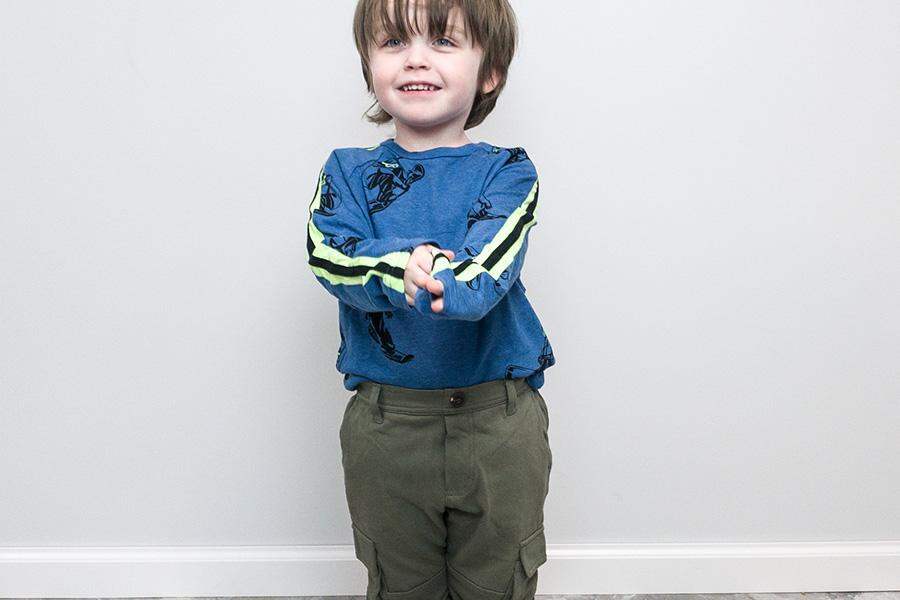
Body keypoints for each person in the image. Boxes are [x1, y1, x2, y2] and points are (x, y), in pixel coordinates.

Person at [305, 0, 556, 597]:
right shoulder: (345, 172)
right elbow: (329, 256)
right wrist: (398, 268)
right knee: (401, 584)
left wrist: (434, 276)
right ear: (370, 66)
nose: (416, 58)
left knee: (499, 582)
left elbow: (484, 273)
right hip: (388, 427)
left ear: (488, 71)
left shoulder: (509, 171)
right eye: (393, 42)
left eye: (443, 42)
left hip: (497, 426)